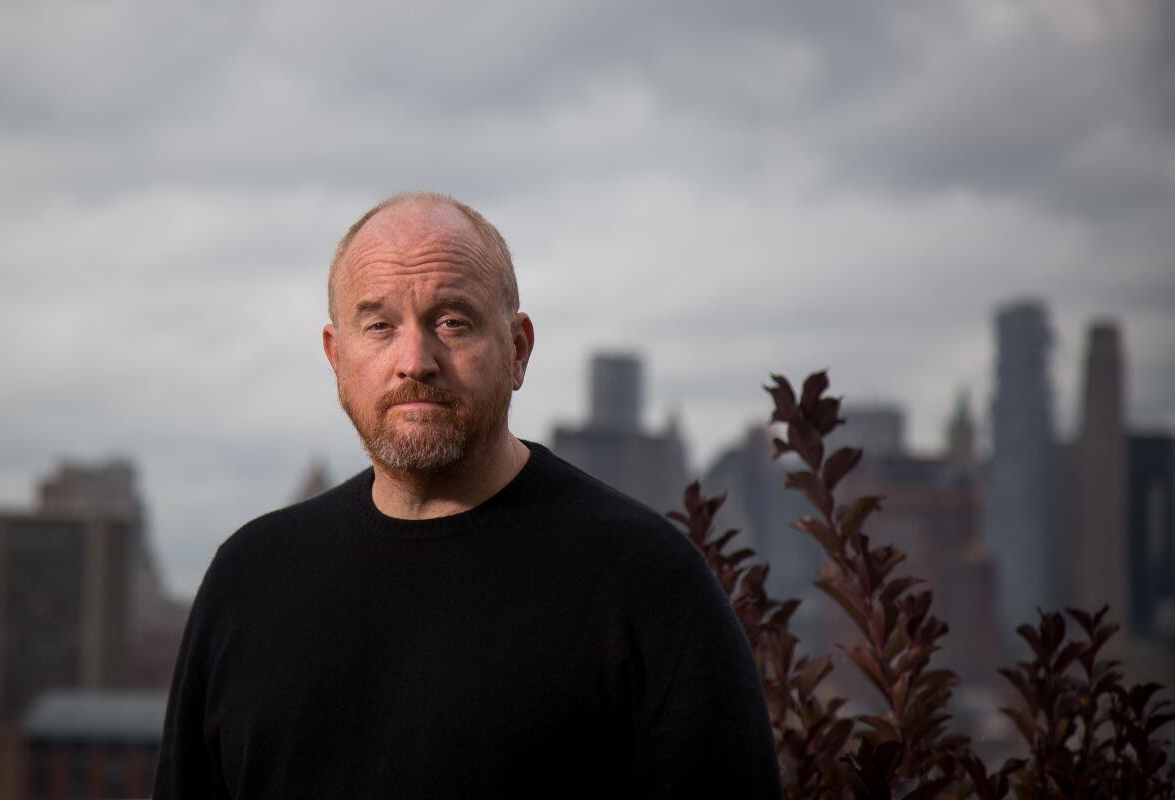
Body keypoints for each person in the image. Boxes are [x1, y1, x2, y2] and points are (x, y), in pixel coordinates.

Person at [153, 192, 783, 798]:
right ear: (335, 356)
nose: (415, 360)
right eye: (379, 325)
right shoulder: (250, 578)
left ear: (518, 349)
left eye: (452, 321)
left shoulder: (648, 583)